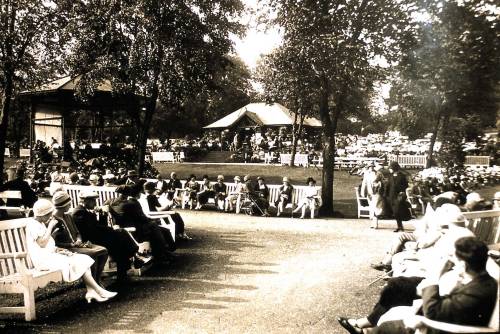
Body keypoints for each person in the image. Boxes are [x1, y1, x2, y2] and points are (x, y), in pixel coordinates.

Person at [338, 237, 498, 334]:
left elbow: (433, 312)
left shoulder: (478, 291)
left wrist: (435, 278)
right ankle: (365, 329)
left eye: (455, 261)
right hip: (445, 320)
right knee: (391, 315)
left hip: (441, 328)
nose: (453, 264)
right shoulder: (479, 281)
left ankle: (365, 330)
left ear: (463, 264)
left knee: (389, 327)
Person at [27, 199, 117, 303]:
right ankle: (98, 290)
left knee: (83, 259)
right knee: (75, 261)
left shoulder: (41, 223)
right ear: (42, 214)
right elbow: (42, 243)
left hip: (51, 256)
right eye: (49, 215)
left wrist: (59, 250)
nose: (50, 217)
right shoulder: (32, 224)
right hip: (43, 261)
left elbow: (47, 245)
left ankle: (91, 291)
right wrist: (51, 227)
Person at [72, 190, 140, 282]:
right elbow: (90, 231)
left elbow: (97, 227)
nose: (95, 203)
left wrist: (102, 215)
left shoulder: (85, 210)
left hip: (96, 237)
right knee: (120, 238)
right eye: (93, 200)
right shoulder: (79, 212)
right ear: (85, 201)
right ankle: (133, 257)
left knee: (120, 236)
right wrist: (109, 229)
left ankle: (126, 269)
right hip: (89, 240)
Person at [106, 185, 175, 263]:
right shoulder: (132, 203)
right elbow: (142, 218)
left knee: (160, 229)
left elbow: (102, 207)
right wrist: (153, 220)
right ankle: (162, 254)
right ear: (129, 194)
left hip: (121, 228)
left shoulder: (110, 201)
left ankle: (164, 253)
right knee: (154, 226)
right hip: (135, 229)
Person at [51, 191, 109, 284]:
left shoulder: (68, 216)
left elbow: (77, 232)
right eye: (69, 204)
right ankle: (93, 283)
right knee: (93, 253)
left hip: (77, 245)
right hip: (66, 249)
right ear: (63, 205)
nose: (70, 206)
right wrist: (71, 244)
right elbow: (53, 243)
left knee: (103, 251)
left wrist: (79, 240)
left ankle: (96, 280)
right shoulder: (52, 221)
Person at [385, 161, 410, 232]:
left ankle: (401, 225)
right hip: (391, 195)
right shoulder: (390, 176)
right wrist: (386, 195)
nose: (390, 169)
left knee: (397, 210)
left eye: (391, 168)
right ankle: (399, 226)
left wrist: (402, 191)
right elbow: (388, 186)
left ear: (394, 168)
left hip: (399, 195)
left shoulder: (402, 176)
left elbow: (406, 185)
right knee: (395, 212)